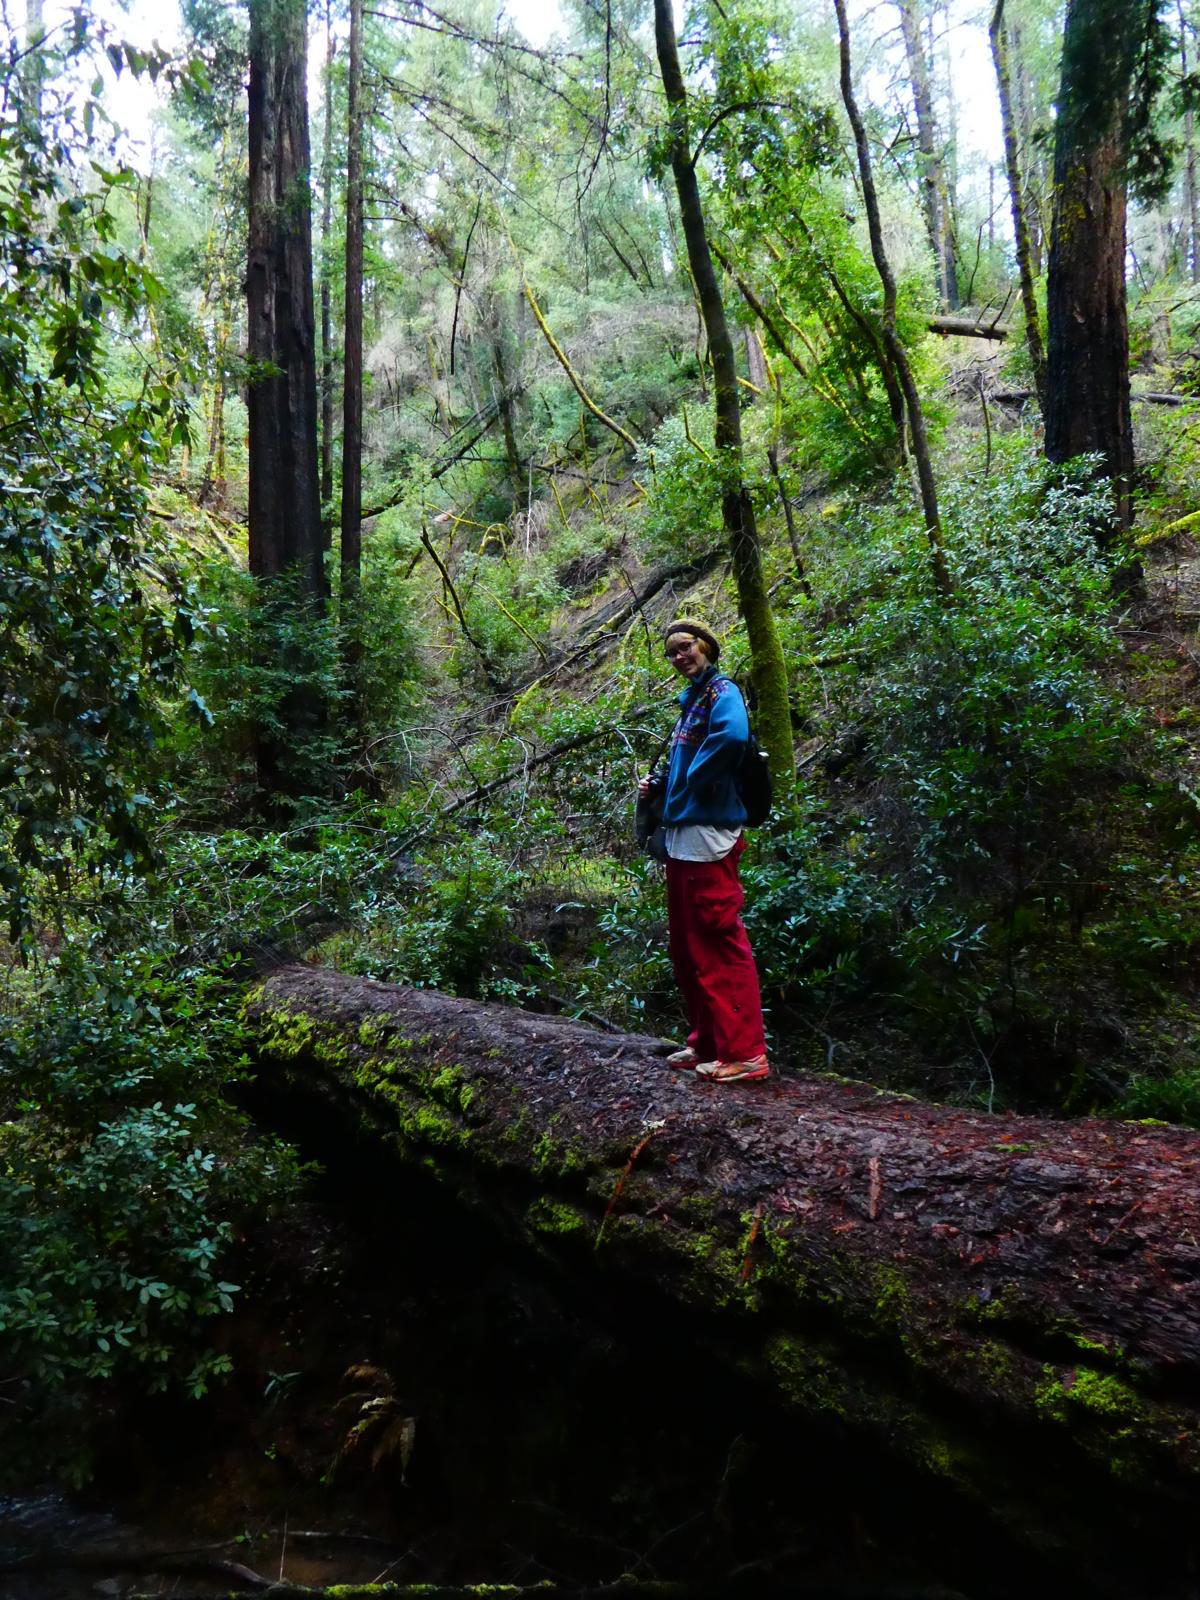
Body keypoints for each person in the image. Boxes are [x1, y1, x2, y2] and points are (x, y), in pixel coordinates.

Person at [640, 619, 770, 1084]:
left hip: (707, 834)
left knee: (717, 941)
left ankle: (746, 1052)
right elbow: (685, 757)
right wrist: (660, 784)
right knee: (687, 945)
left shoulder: (722, 692)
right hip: (682, 833)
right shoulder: (692, 699)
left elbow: (732, 737)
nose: (680, 656)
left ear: (706, 647)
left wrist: (694, 778)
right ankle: (709, 1044)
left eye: (686, 647)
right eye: (672, 652)